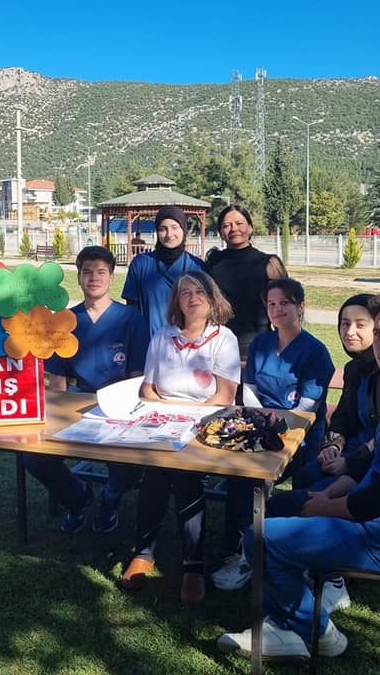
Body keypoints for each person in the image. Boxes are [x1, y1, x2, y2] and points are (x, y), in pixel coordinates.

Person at [217, 291, 380, 662]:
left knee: (260, 537)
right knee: (272, 508)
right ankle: (288, 625)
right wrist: (330, 495)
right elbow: (372, 464)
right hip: (377, 517)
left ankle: (317, 631)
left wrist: (327, 506)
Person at [259, 293, 380, 609]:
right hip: (350, 456)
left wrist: (349, 461)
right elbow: (344, 416)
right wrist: (334, 444)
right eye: (345, 324)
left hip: (373, 465)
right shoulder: (354, 369)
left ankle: (332, 576)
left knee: (309, 492)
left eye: (361, 325)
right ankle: (312, 560)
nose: (351, 332)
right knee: (308, 471)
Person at [117, 272, 240, 605]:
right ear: (176, 302)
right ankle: (143, 554)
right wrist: (166, 416)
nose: (192, 297)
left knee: (183, 475)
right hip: (162, 424)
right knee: (155, 470)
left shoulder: (223, 338)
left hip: (204, 425)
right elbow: (147, 388)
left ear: (212, 298)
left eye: (200, 291)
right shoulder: (162, 336)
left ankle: (192, 565)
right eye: (185, 293)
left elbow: (225, 396)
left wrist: (185, 418)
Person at [213, 278, 334, 591]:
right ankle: (241, 545)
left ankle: (251, 552)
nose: (278, 310)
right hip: (259, 427)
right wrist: (259, 421)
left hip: (298, 440)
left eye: (285, 303)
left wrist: (269, 426)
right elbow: (249, 390)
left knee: (255, 479)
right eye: (272, 304)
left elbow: (305, 410)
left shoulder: (315, 353)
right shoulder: (262, 344)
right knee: (236, 472)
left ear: (300, 307)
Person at [22, 246, 150, 533]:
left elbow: (137, 376)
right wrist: (58, 420)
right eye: (87, 272)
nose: (94, 278)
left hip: (120, 404)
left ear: (111, 277)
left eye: (101, 272)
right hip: (76, 405)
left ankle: (110, 498)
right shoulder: (65, 321)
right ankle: (78, 498)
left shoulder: (131, 319)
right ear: (79, 278)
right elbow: (57, 380)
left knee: (131, 459)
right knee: (33, 455)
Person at [205, 204, 288, 358]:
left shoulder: (269, 263)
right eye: (227, 225)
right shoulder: (212, 262)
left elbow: (286, 305)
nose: (233, 229)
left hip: (257, 344)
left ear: (250, 228)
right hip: (217, 342)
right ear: (221, 233)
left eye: (239, 223)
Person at [122, 205, 205, 335]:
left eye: (174, 227)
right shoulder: (141, 264)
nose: (169, 234)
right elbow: (132, 310)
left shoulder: (197, 266)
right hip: (149, 345)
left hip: (187, 345)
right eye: (163, 229)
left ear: (184, 229)